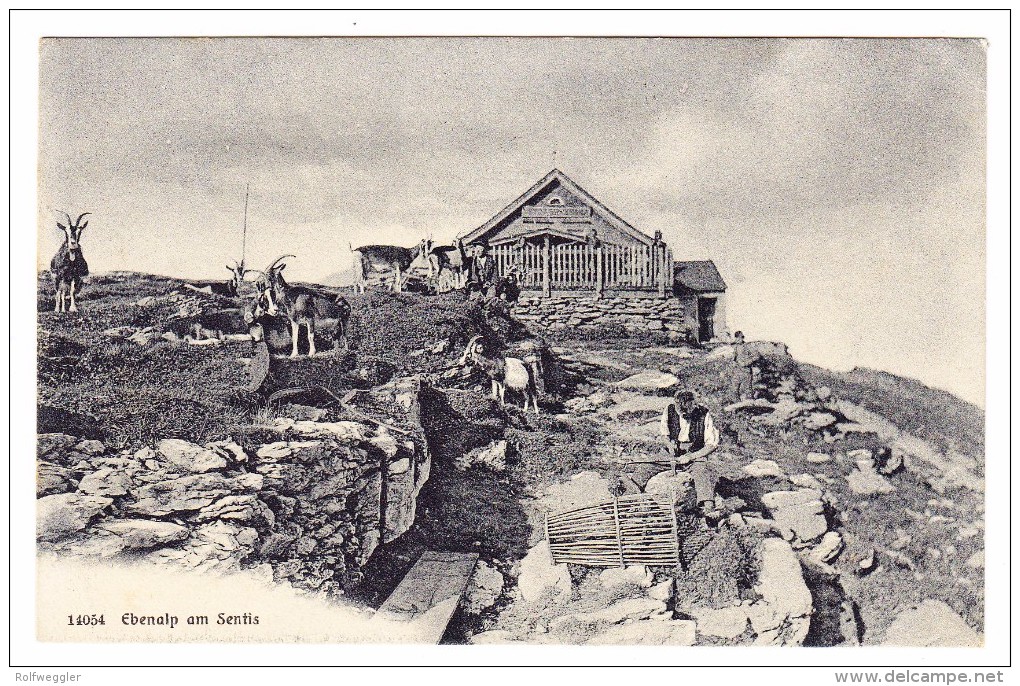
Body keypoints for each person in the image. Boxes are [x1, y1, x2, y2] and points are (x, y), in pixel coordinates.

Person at [661, 390, 721, 522]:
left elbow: (711, 445)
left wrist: (691, 457)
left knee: (702, 470)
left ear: (693, 405)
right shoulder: (670, 410)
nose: (683, 415)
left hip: (695, 453)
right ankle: (629, 490)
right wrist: (669, 445)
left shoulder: (704, 414)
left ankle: (708, 508)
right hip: (673, 452)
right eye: (680, 412)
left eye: (686, 412)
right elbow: (664, 434)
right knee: (649, 464)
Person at [730, 330, 759, 402]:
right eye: (736, 338)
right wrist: (733, 362)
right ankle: (738, 407)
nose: (738, 340)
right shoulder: (736, 346)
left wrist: (746, 363)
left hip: (746, 371)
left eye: (739, 338)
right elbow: (734, 357)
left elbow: (757, 355)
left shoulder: (747, 346)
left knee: (748, 391)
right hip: (737, 371)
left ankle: (750, 409)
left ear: (742, 338)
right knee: (734, 390)